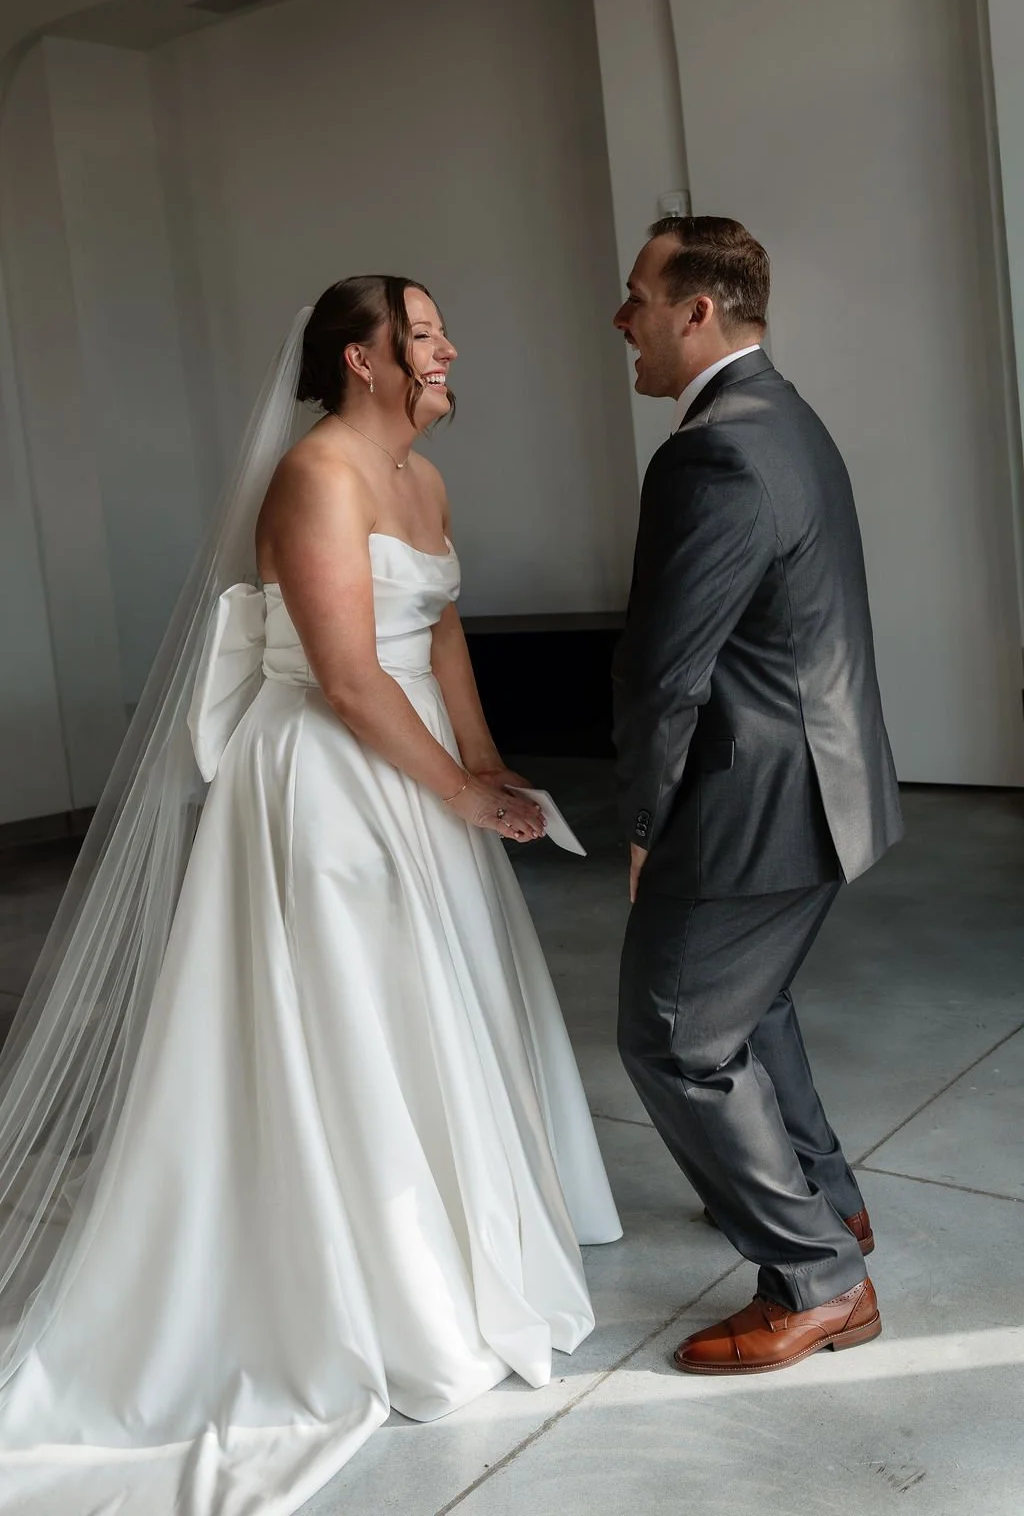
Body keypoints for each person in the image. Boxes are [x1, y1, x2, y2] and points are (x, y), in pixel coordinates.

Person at [0, 276, 620, 1513]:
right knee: (347, 1019)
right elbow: (345, 676)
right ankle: (368, 1276)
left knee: (434, 1002)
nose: (451, 349)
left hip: (422, 771)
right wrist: (454, 790)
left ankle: (456, 1240)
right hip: (331, 787)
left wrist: (485, 765)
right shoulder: (317, 475)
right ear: (363, 357)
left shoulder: (425, 483)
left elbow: (438, 639)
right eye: (429, 333)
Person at [612, 216, 902, 1375]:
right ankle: (832, 1201)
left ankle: (821, 1279)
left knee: (673, 1037)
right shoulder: (783, 413)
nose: (620, 317)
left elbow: (669, 670)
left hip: (755, 797)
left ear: (696, 312)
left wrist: (643, 823)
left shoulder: (713, 448)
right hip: (820, 780)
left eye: (636, 294)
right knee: (750, 1003)